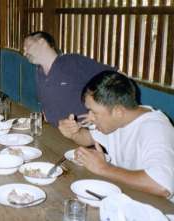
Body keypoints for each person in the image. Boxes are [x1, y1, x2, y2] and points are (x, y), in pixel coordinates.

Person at [58, 70, 174, 202]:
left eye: (94, 112)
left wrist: (104, 168)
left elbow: (162, 186)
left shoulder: (156, 128)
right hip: (127, 197)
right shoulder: (119, 120)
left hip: (159, 208)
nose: (89, 117)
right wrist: (74, 133)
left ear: (118, 111)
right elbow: (87, 138)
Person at [23, 31, 115, 127]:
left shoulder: (73, 62)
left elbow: (114, 77)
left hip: (81, 132)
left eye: (27, 47)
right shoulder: (39, 72)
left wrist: (98, 113)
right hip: (54, 131)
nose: (25, 53)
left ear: (41, 42)